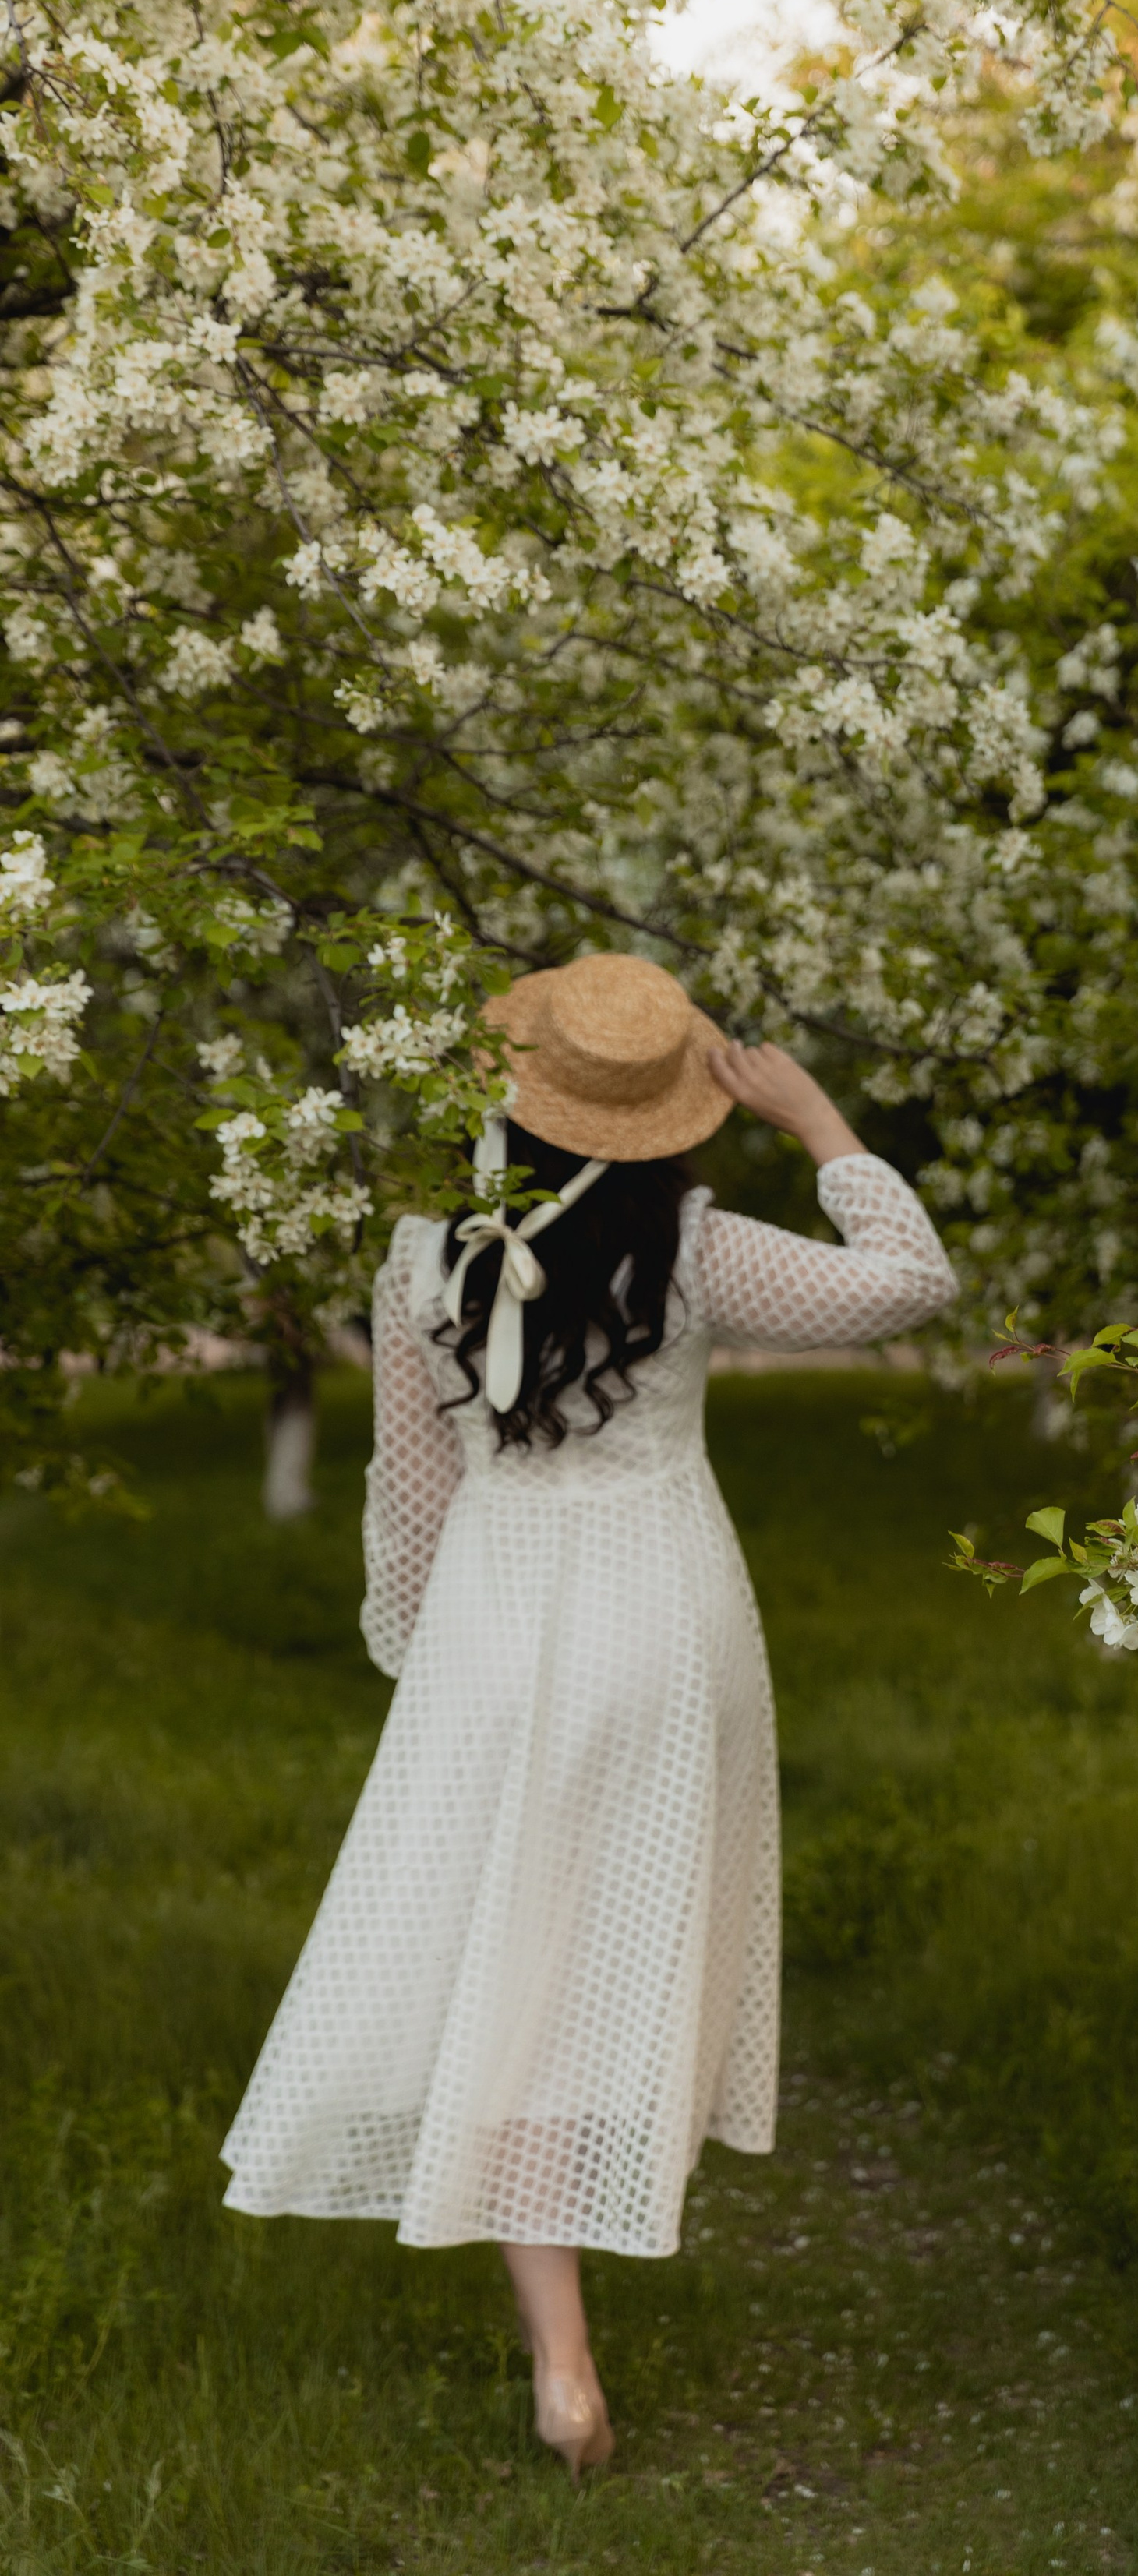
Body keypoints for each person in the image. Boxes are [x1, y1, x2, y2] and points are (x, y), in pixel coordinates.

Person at [219, 952, 956, 2476]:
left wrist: (423, 1665)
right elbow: (909, 1282)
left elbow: (409, 1494)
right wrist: (822, 1125)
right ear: (670, 1116)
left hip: (502, 1622)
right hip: (661, 1620)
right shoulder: (695, 1250)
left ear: (515, 1092)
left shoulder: (425, 1260)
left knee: (511, 1956)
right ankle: (600, 2202)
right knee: (611, 1948)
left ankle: (563, 2364)